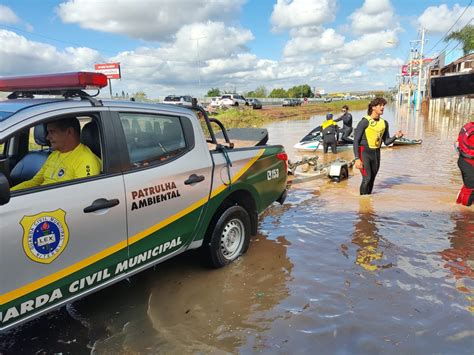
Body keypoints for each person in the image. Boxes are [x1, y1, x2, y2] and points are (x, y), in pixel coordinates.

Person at [11, 117, 101, 191]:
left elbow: (83, 195)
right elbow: (35, 181)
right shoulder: (54, 154)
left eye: (52, 132)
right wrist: (10, 194)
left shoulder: (86, 160)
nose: (47, 137)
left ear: (69, 132)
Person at [353, 98, 403, 195]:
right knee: (366, 178)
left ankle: (368, 202)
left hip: (376, 154)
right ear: (373, 107)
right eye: (380, 105)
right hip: (364, 152)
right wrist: (357, 158)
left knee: (372, 179)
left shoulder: (384, 123)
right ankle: (362, 202)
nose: (383, 107)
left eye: (383, 105)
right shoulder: (364, 121)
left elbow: (387, 142)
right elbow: (355, 141)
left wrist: (396, 136)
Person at [456, 121, 474, 206]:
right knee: (471, 189)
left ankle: (457, 204)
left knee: (467, 186)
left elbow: (456, 143)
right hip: (469, 163)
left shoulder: (468, 126)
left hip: (462, 160)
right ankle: (464, 212)